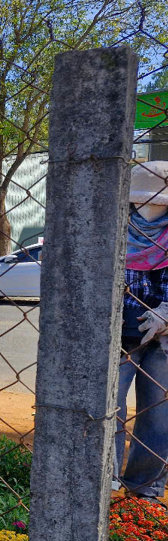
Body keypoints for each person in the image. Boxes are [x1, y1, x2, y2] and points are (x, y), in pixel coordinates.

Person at [116, 160, 168, 506]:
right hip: (115, 334)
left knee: (158, 413)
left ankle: (146, 486)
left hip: (163, 338)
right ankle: (103, 477)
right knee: (108, 408)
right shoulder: (114, 229)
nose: (148, 205)